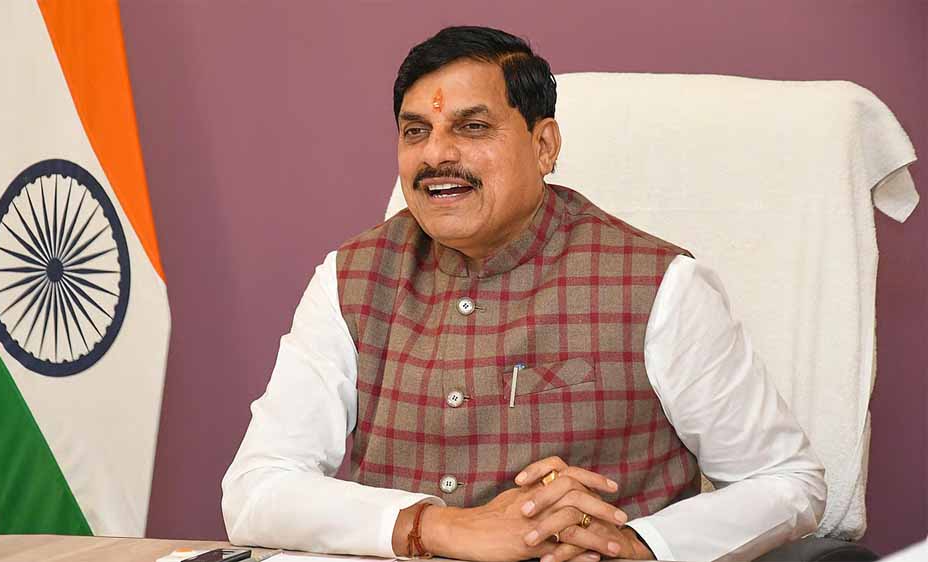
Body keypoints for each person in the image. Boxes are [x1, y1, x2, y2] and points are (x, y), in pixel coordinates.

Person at [222, 26, 825, 562]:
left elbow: (786, 480)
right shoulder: (351, 279)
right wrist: (439, 528)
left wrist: (641, 544)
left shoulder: (655, 284)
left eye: (472, 127)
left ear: (544, 146)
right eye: (416, 131)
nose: (436, 154)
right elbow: (257, 486)